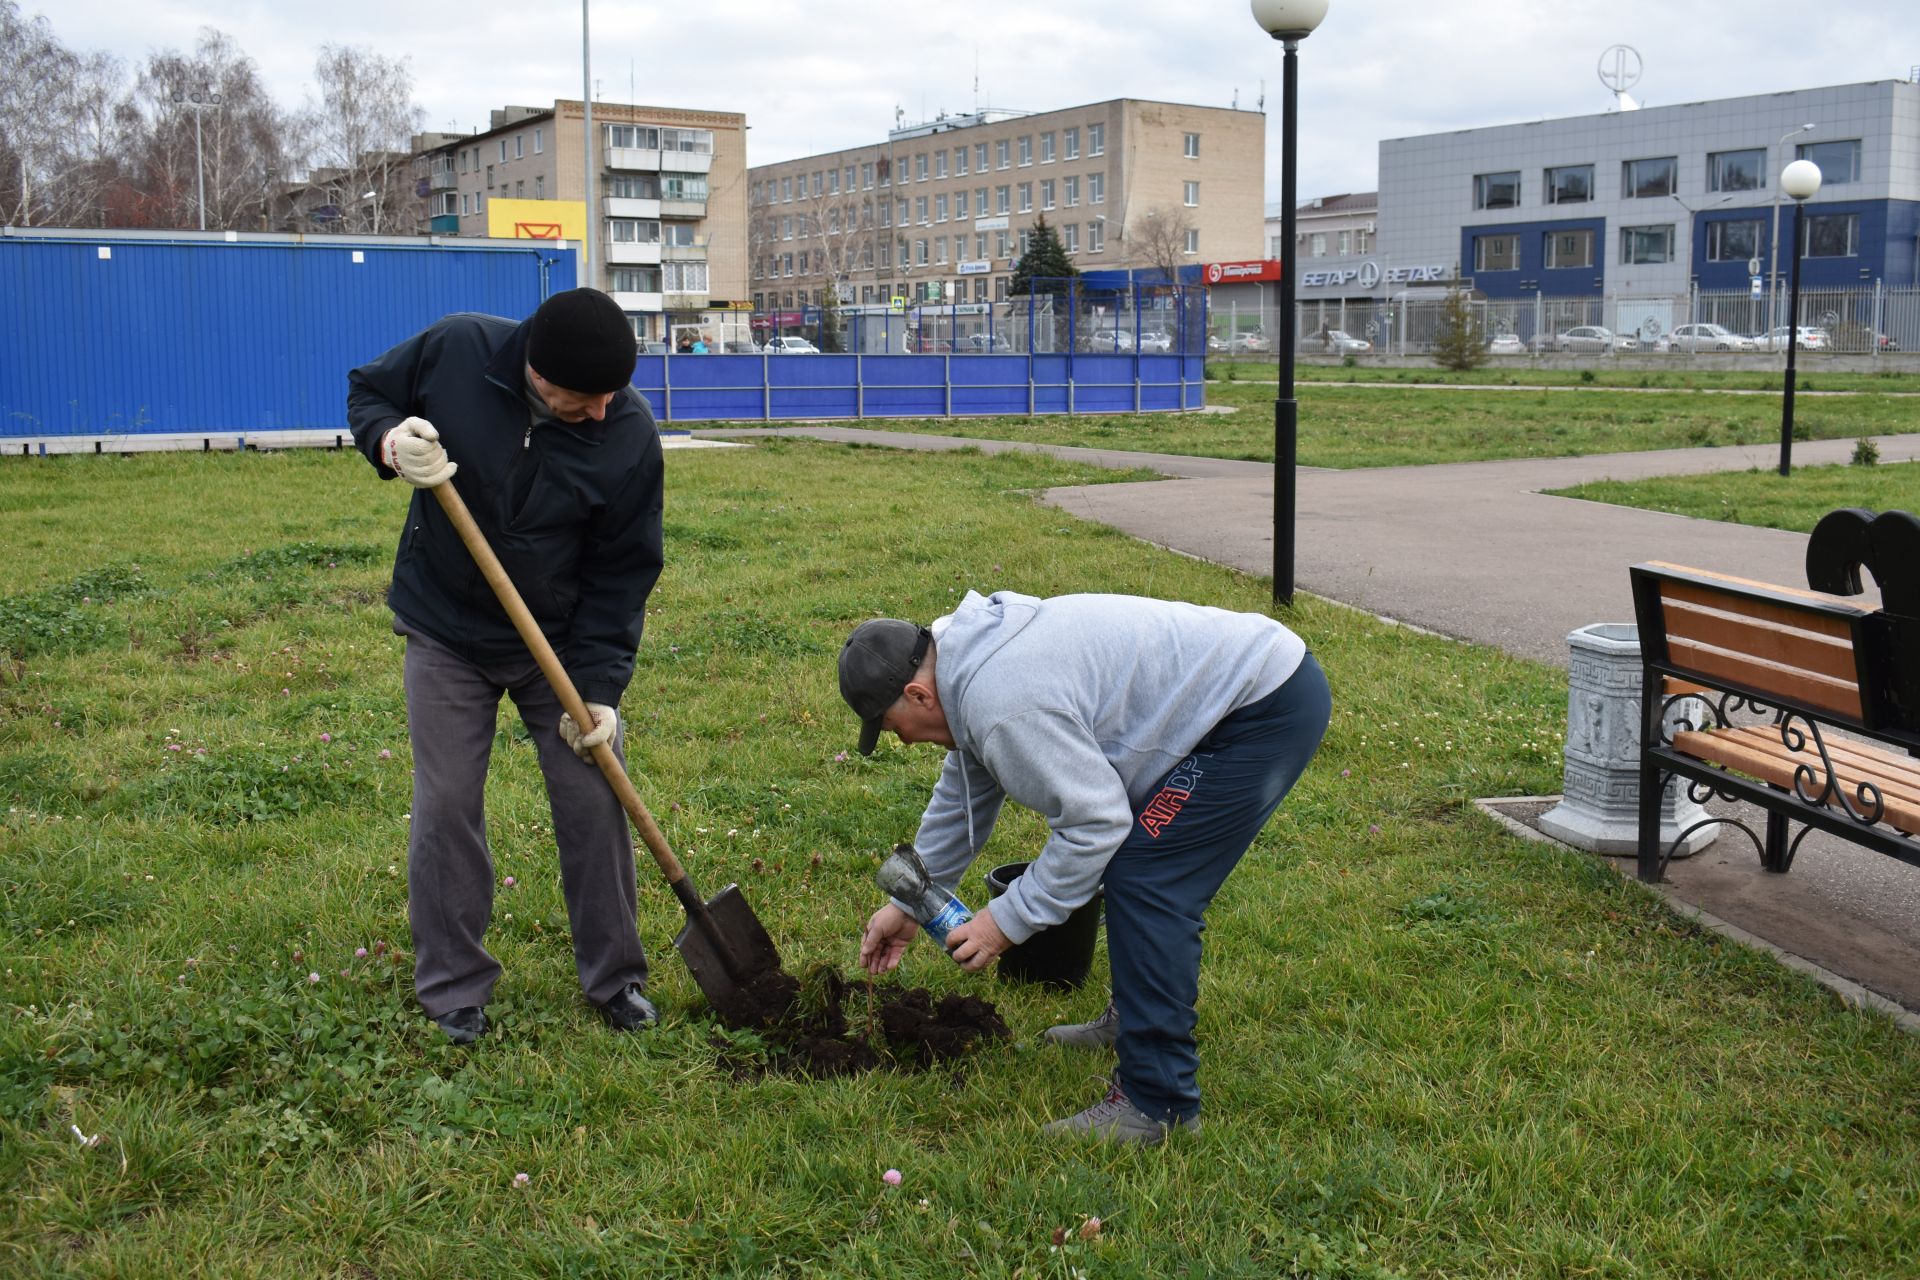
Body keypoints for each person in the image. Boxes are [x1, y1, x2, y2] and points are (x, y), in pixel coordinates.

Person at [842, 591, 1330, 1145]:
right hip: (1246, 688)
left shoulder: (1003, 702)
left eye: (890, 726)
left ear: (916, 693)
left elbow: (1096, 822)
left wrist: (1006, 922)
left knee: (1148, 879)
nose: (902, 740)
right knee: (1136, 861)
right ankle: (1136, 1016)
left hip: (1260, 708)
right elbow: (963, 795)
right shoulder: (964, 664)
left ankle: (1157, 1103)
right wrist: (910, 902)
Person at [347, 287, 664, 1045]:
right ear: (534, 371)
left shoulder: (626, 436)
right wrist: (391, 441)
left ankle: (616, 979)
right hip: (446, 628)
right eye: (582, 399)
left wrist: (598, 692)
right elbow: (370, 391)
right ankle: (454, 987)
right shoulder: (456, 350)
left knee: (594, 794)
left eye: (610, 395)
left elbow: (622, 574)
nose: (600, 411)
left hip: (551, 644)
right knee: (449, 802)